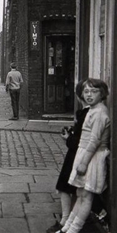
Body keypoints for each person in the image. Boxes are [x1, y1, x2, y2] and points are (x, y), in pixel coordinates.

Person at [56, 78, 110, 233]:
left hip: (92, 158)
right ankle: (67, 227)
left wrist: (84, 163)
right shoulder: (92, 110)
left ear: (102, 93)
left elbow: (94, 141)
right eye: (86, 91)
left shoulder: (100, 112)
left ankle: (74, 229)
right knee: (80, 194)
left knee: (86, 196)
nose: (89, 95)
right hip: (83, 154)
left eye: (94, 91)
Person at [46, 80, 89, 233]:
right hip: (79, 154)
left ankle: (66, 221)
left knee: (65, 186)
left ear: (77, 96)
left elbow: (82, 140)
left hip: (78, 155)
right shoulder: (86, 112)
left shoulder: (87, 114)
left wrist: (68, 138)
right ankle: (68, 220)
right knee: (72, 188)